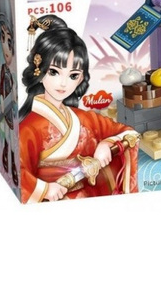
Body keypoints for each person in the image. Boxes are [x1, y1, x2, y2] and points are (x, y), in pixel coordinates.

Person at [19, 15, 138, 203]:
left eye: (73, 75)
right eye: (54, 72)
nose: (63, 83)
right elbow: (18, 170)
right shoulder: (29, 127)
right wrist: (44, 189)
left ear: (81, 78)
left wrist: (107, 144)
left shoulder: (84, 118)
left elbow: (129, 133)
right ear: (39, 70)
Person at [0, 0, 18, 186]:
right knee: (8, 140)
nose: (6, 48)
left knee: (13, 141)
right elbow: (2, 89)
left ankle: (13, 171)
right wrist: (3, 107)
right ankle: (8, 168)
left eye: (9, 41)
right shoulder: (5, 70)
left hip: (12, 113)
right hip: (7, 113)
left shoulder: (11, 72)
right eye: (2, 39)